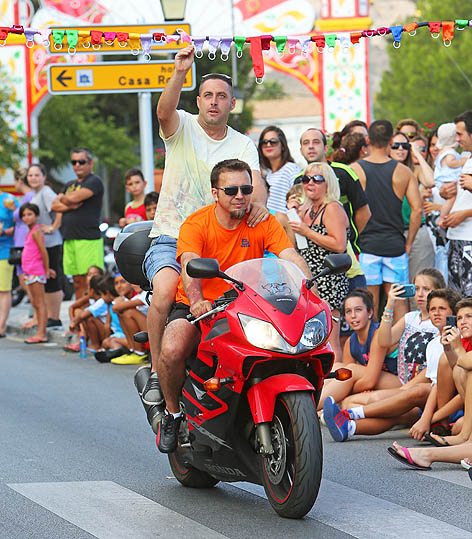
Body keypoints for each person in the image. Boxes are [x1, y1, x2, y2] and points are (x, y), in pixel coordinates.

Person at [156, 159, 312, 453]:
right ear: (215, 193)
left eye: (246, 188)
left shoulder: (261, 220)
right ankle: (173, 414)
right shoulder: (197, 223)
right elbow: (190, 264)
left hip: (248, 307)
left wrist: (309, 290)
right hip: (200, 305)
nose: (240, 195)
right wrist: (198, 300)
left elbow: (289, 255)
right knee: (173, 347)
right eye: (231, 190)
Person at [141, 44, 268, 406]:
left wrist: (257, 205)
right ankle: (155, 371)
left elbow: (254, 186)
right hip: (171, 235)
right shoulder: (181, 127)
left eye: (222, 96)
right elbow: (163, 111)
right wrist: (180, 70)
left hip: (219, 242)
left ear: (231, 104)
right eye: (208, 95)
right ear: (198, 101)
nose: (214, 101)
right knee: (166, 290)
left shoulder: (243, 144)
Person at [324, 288, 461, 442]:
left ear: (453, 314)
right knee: (398, 415)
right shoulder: (434, 343)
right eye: (433, 309)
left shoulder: (458, 339)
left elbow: (438, 386)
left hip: (446, 405)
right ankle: (350, 428)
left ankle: (349, 414)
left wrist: (428, 418)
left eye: (442, 309)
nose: (436, 313)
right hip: (427, 403)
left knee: (418, 391)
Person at [350, 120, 423, 319]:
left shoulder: (355, 170)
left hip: (367, 246)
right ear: (391, 141)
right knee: (399, 302)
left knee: (369, 304)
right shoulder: (403, 171)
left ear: (367, 140)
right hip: (395, 245)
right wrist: (408, 243)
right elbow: (417, 210)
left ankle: (372, 348)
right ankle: (401, 348)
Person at [289, 162, 349, 360]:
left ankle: (337, 386)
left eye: (317, 179)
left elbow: (339, 244)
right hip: (310, 280)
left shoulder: (332, 208)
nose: (310, 183)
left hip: (329, 280)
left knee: (331, 339)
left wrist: (306, 231)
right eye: (306, 179)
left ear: (328, 183)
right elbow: (296, 245)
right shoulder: (307, 209)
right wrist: (293, 214)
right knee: (314, 339)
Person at [318, 288, 399, 409]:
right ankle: (314, 402)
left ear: (370, 313)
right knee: (338, 368)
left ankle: (313, 408)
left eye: (358, 310)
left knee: (352, 371)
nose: (353, 316)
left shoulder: (377, 333)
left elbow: (369, 381)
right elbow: (344, 378)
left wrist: (346, 389)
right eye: (348, 311)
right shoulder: (350, 342)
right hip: (376, 382)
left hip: (398, 382)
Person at [51, 147, 104, 300]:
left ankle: (93, 318)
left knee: (92, 281)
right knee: (77, 281)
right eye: (74, 162)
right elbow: (54, 205)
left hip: (88, 239)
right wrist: (69, 203)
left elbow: (71, 199)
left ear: (90, 163)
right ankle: (81, 316)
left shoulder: (94, 181)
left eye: (81, 161)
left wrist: (67, 199)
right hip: (69, 238)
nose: (77, 165)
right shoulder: (69, 184)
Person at [389, 132, 435, 284]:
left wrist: (417, 153)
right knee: (400, 289)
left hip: (417, 233)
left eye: (405, 146)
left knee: (421, 284)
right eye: (395, 145)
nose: (400, 149)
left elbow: (431, 181)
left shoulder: (413, 169)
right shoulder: (383, 170)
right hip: (393, 234)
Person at [438, 110, 472, 296]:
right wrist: (448, 192)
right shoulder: (467, 159)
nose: (456, 139)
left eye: (460, 134)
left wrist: (464, 214)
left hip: (469, 239)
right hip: (457, 238)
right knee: (457, 298)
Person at [27, 163, 64, 328]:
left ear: (44, 177)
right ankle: (49, 316)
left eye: (36, 175)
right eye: (30, 175)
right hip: (42, 244)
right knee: (46, 279)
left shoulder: (46, 192)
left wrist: (52, 227)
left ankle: (54, 317)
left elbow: (60, 209)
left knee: (52, 278)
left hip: (51, 243)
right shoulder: (36, 194)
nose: (33, 178)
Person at [20, 203, 56, 344]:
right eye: (24, 215)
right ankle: (39, 330)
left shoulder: (36, 231)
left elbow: (43, 252)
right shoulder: (29, 232)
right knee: (34, 302)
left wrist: (46, 270)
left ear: (36, 216)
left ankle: (42, 333)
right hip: (29, 271)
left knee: (40, 302)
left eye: (30, 214)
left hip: (36, 271)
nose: (26, 218)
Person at [11, 167, 36, 326]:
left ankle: (36, 316)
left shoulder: (29, 196)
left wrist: (14, 210)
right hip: (21, 241)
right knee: (25, 281)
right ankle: (35, 314)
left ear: (19, 180)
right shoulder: (28, 196)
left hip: (24, 243)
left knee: (27, 280)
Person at [257, 125, 301, 213]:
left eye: (273, 141)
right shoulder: (269, 174)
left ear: (283, 146)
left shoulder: (291, 169)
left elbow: (300, 198)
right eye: (264, 142)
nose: (268, 145)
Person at [109, 275, 150, 365]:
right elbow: (116, 309)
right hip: (147, 334)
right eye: (132, 282)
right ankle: (133, 350)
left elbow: (115, 307)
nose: (134, 285)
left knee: (129, 312)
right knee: (123, 312)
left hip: (156, 335)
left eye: (138, 282)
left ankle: (139, 353)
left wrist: (119, 301)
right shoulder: (138, 295)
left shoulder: (148, 293)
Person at [65, 265, 104, 352]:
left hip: (103, 328)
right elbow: (72, 307)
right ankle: (82, 337)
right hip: (92, 326)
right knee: (79, 311)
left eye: (95, 274)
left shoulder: (104, 296)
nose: (92, 277)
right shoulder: (89, 294)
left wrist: (74, 322)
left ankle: (93, 344)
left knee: (87, 315)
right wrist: (73, 324)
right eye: (89, 275)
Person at [0, 189, 17, 337]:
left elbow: (19, 223)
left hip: (4, 250)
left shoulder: (8, 200)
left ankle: (1, 325)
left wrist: (5, 231)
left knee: (3, 288)